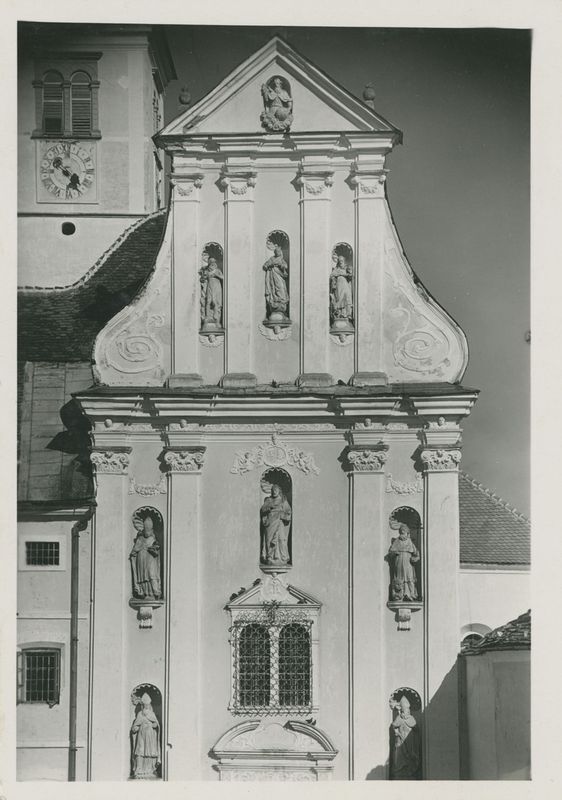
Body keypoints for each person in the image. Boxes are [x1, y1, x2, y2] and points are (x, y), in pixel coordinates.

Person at [130, 515, 161, 600]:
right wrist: (135, 552)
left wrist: (154, 550)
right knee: (142, 577)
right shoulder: (140, 539)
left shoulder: (153, 539)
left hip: (150, 560)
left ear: (151, 530)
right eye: (146, 530)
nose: (147, 532)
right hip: (141, 560)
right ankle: (143, 593)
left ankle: (154, 593)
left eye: (149, 530)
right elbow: (134, 551)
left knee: (151, 575)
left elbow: (157, 550)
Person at [389, 695, 421, 779]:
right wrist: (396, 732)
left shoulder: (411, 718)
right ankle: (398, 773)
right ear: (403, 710)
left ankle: (410, 772)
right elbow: (393, 726)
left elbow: (416, 729)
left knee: (410, 756)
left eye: (407, 709)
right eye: (405, 709)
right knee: (398, 757)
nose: (407, 711)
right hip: (400, 741)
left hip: (410, 741)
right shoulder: (399, 718)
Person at [386, 523, 420, 601]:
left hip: (408, 563)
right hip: (399, 562)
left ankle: (411, 595)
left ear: (407, 532)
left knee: (409, 578)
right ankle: (399, 595)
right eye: (401, 531)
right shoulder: (397, 541)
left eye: (404, 531)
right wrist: (394, 553)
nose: (402, 533)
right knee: (399, 578)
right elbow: (391, 552)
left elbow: (417, 554)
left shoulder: (410, 542)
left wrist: (415, 558)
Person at [260, 484, 292, 565]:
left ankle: (282, 558)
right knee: (269, 540)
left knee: (281, 539)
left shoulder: (283, 500)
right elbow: (263, 510)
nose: (274, 492)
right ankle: (269, 557)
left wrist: (281, 514)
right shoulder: (268, 500)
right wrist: (269, 508)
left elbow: (288, 513)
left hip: (279, 523)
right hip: (270, 523)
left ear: (279, 491)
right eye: (273, 490)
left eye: (276, 490)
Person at [131, 693, 160, 779]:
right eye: (145, 705)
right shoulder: (140, 714)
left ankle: (149, 769)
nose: (146, 706)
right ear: (143, 705)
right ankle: (139, 769)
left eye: (147, 705)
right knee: (140, 751)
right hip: (141, 735)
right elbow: (136, 725)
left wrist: (154, 725)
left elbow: (156, 724)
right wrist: (135, 728)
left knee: (149, 752)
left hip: (150, 735)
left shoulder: (152, 714)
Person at [263, 245, 289, 319]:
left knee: (281, 288)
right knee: (273, 289)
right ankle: (275, 301)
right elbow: (265, 265)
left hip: (279, 276)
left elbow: (285, 266)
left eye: (279, 251)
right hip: (272, 277)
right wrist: (269, 265)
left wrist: (281, 265)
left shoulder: (281, 259)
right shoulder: (272, 258)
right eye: (277, 251)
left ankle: (282, 301)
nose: (278, 252)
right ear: (275, 252)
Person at [330, 254, 353, 322]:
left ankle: (347, 314)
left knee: (347, 296)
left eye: (342, 261)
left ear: (344, 261)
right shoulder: (336, 269)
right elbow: (332, 275)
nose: (341, 262)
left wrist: (345, 274)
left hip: (345, 285)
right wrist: (337, 275)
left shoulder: (346, 268)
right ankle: (340, 314)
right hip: (339, 286)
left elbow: (351, 275)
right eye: (339, 261)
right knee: (340, 298)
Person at [203, 257, 223, 326]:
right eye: (211, 262)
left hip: (217, 287)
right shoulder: (207, 271)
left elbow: (223, 277)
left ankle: (216, 317)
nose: (213, 263)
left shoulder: (217, 270)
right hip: (209, 287)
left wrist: (216, 275)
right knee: (208, 301)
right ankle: (207, 316)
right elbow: (203, 279)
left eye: (214, 262)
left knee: (216, 302)